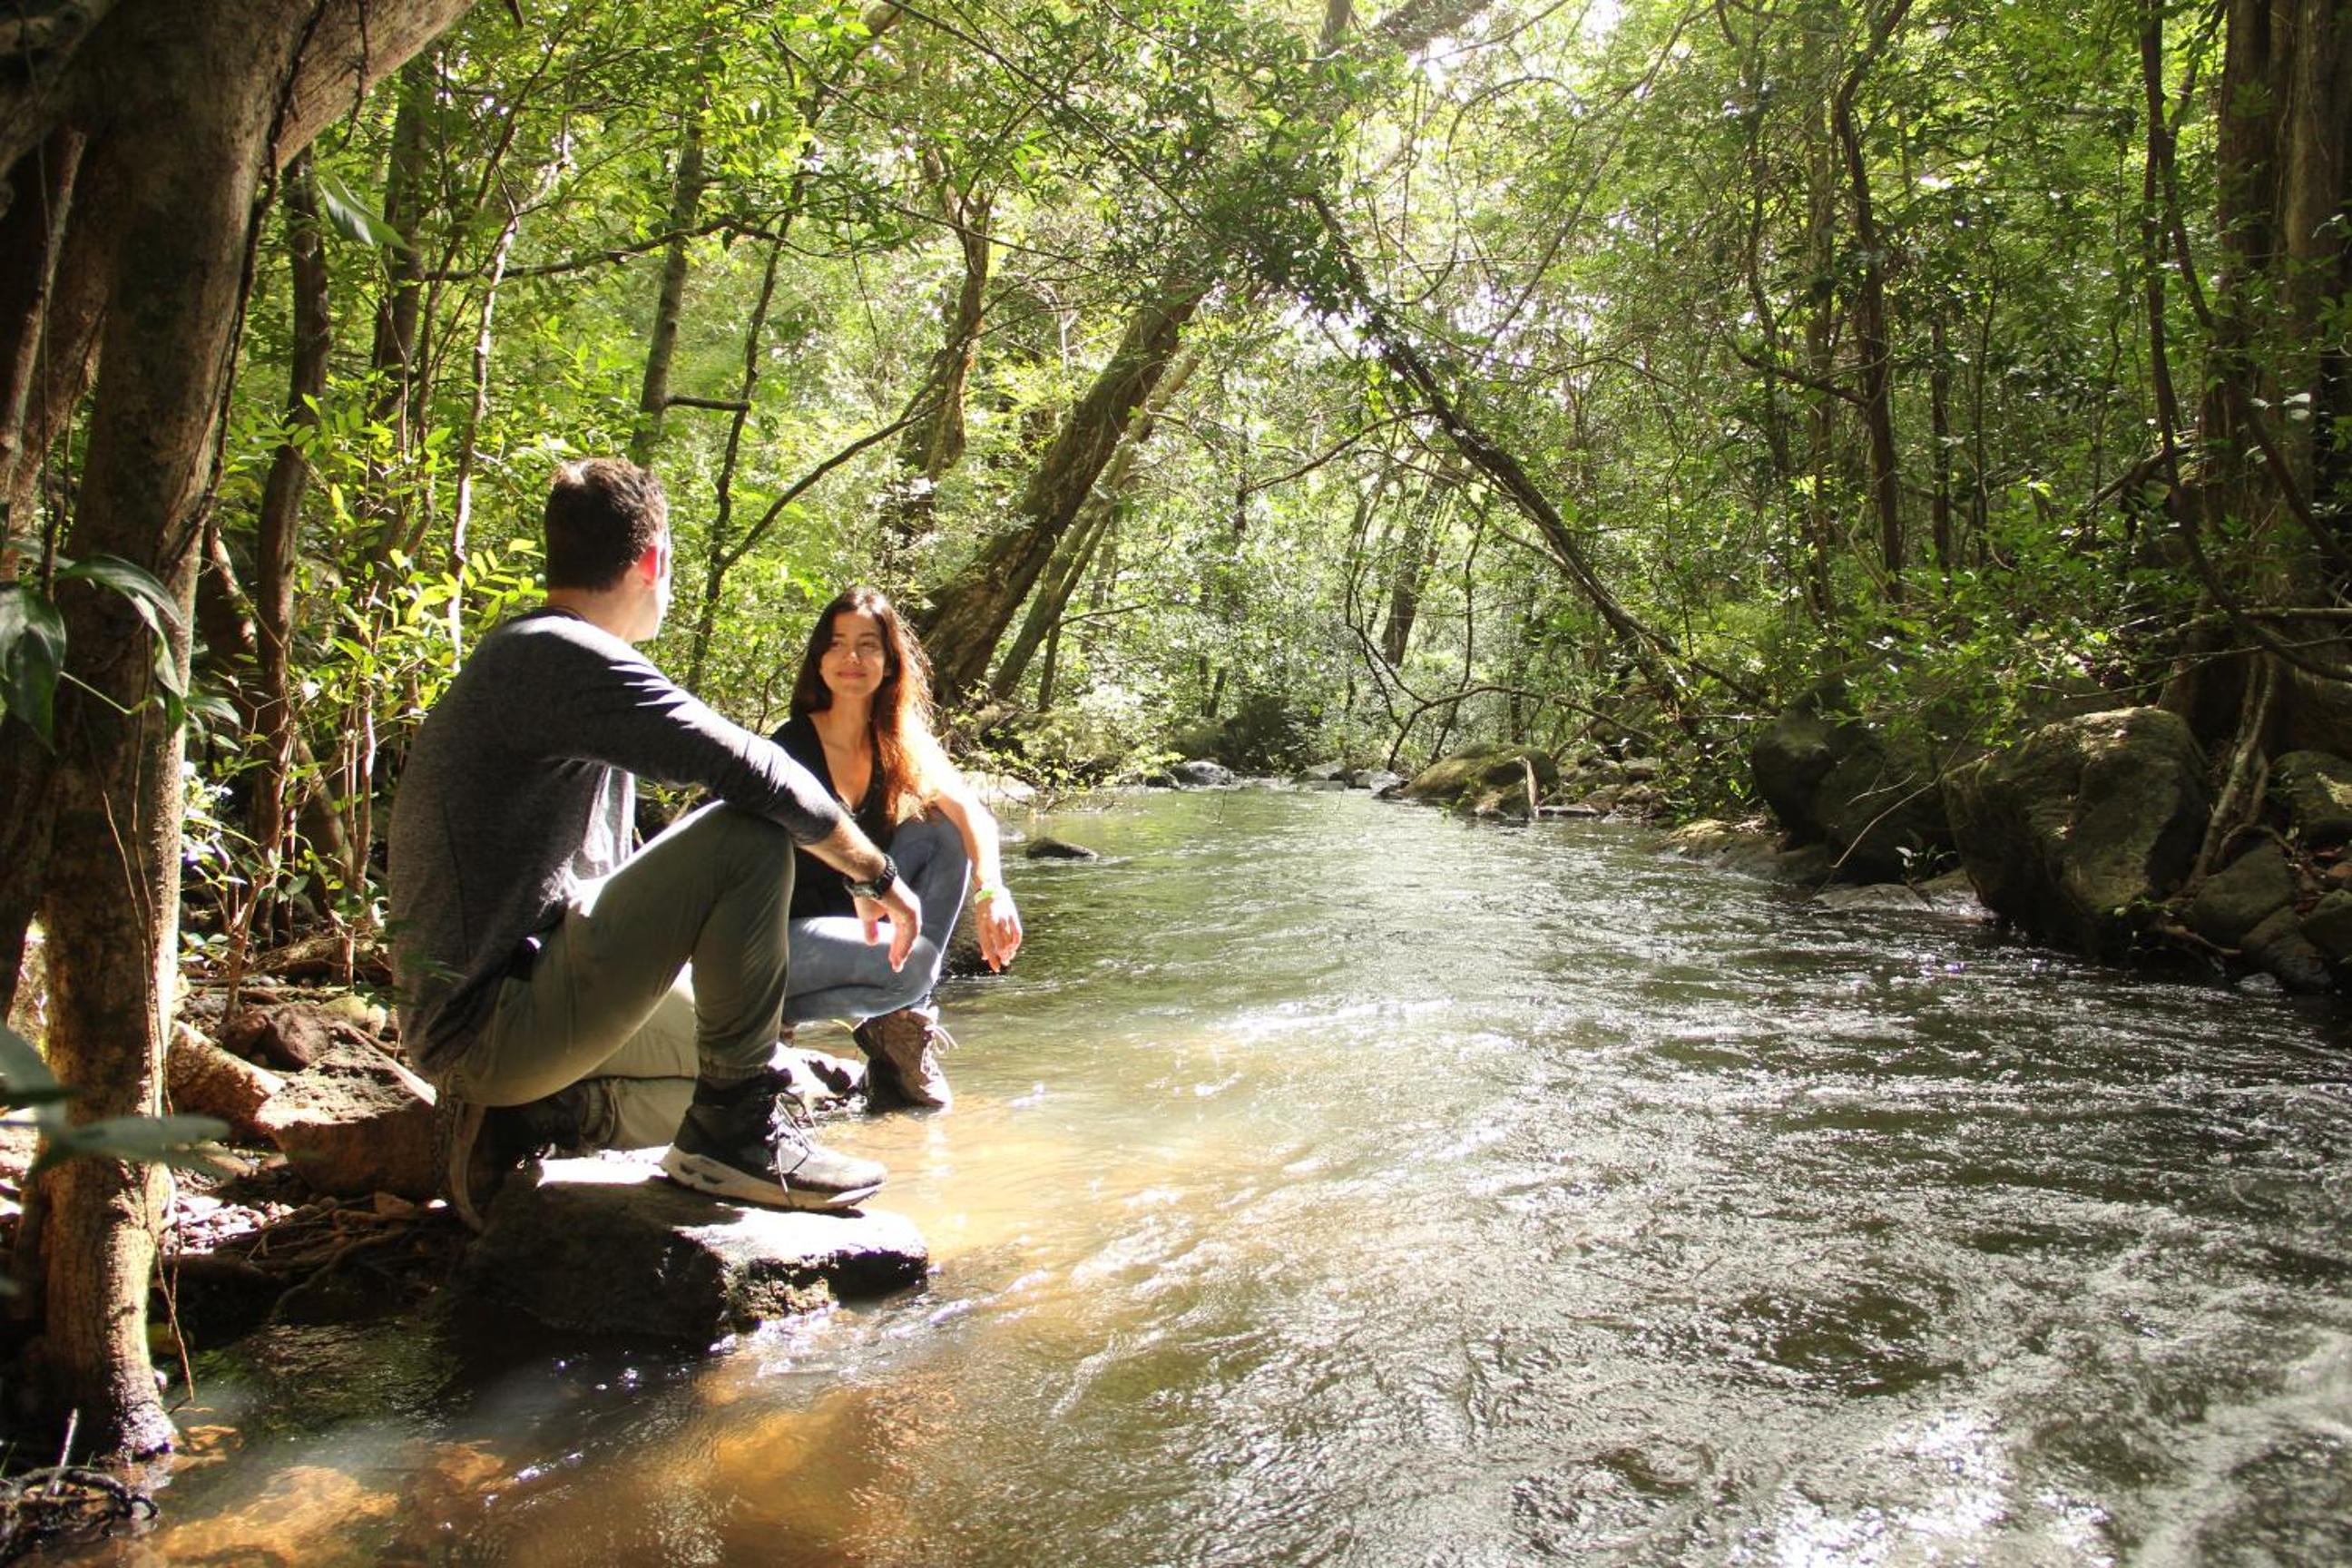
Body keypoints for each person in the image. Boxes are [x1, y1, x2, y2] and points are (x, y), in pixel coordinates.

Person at [387, 458, 921, 1226]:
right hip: (490, 1024)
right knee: (748, 830)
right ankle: (730, 1141)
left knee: (785, 1082)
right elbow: (758, 770)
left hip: (519, 1012)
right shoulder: (553, 656)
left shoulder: (546, 660)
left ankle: (541, 1121)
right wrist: (873, 874)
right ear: (654, 559)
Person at [770, 585, 1024, 1110]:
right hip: (780, 939)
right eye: (837, 644)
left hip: (861, 921)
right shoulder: (788, 746)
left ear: (889, 663)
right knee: (915, 967)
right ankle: (773, 1021)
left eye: (868, 645)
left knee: (943, 828)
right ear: (820, 660)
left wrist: (992, 893)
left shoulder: (898, 740)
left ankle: (900, 1028)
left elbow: (973, 813)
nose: (852, 658)